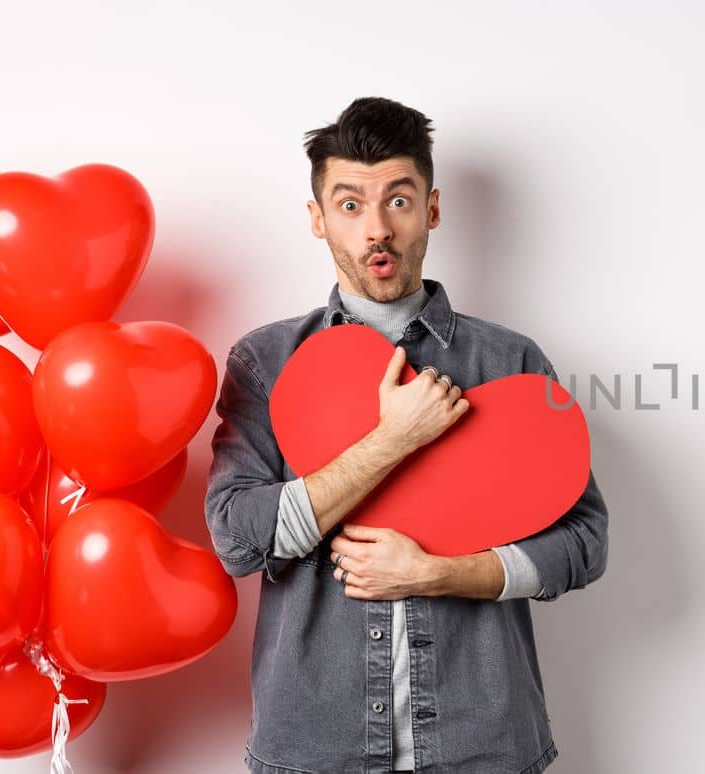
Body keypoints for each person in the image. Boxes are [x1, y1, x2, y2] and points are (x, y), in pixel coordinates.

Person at [204, 96, 609, 774]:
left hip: (483, 745)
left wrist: (443, 574)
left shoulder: (509, 364)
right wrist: (395, 439)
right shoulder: (266, 363)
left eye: (398, 200)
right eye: (351, 204)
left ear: (433, 208)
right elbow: (236, 539)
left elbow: (585, 543)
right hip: (315, 749)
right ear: (318, 218)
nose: (377, 230)